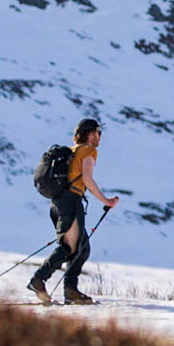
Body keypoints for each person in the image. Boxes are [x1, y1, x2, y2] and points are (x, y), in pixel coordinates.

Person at [29, 118, 119, 305]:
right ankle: (39, 280)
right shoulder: (88, 151)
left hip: (58, 202)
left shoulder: (72, 151)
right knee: (70, 247)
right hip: (70, 201)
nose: (100, 137)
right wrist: (106, 200)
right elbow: (87, 179)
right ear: (90, 133)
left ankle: (71, 290)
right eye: (98, 133)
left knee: (82, 247)